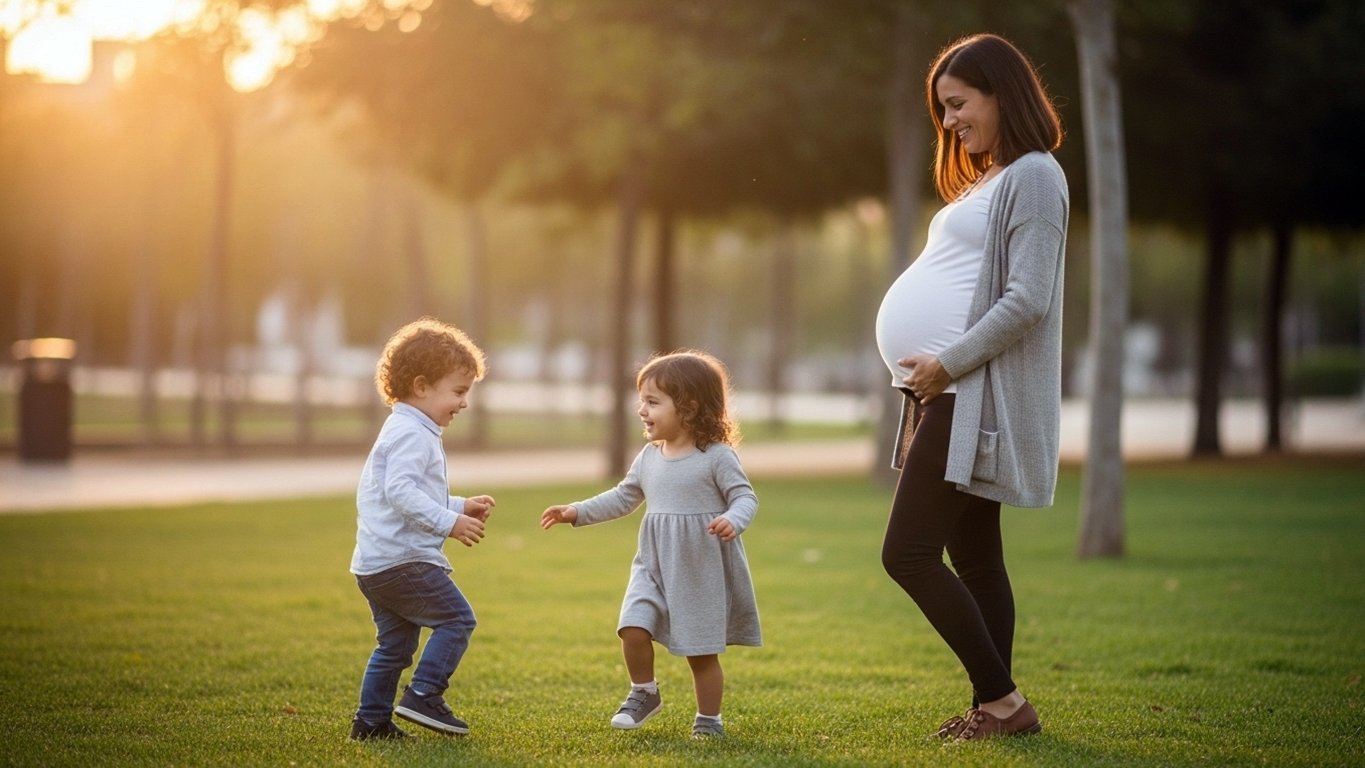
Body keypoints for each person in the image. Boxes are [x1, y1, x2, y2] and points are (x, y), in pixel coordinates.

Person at [873, 33, 1068, 741]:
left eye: (958, 103)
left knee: (907, 553)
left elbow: (1028, 298)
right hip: (947, 392)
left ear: (999, 92)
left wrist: (947, 363)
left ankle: (1004, 701)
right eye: (942, 110)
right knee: (976, 557)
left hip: (967, 392)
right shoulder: (994, 177)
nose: (949, 121)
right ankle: (994, 711)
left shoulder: (1036, 176)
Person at [540, 350, 761, 739]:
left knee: (700, 653)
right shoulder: (649, 457)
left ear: (689, 407)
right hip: (654, 563)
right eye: (641, 400)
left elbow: (745, 498)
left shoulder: (717, 457)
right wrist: (575, 512)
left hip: (698, 568)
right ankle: (644, 691)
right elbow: (623, 497)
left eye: (652, 402)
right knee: (632, 627)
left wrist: (733, 519)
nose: (641, 409)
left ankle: (709, 721)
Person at [348, 317, 496, 741]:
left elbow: (405, 495)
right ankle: (424, 694)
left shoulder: (407, 428)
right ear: (421, 386)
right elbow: (400, 492)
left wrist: (458, 503)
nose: (464, 403)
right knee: (457, 620)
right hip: (403, 562)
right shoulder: (413, 434)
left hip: (376, 564)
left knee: (394, 648)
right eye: (459, 391)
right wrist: (450, 522)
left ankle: (371, 722)